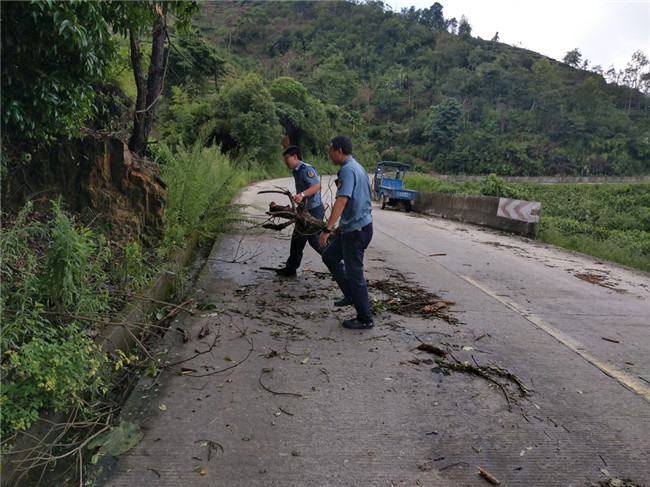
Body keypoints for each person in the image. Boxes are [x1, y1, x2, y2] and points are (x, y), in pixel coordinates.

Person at [318, 136, 374, 330]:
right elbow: (359, 200)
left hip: (356, 232)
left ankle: (365, 318)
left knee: (355, 274)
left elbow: (342, 201)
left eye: (331, 150)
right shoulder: (357, 167)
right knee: (329, 256)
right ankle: (350, 294)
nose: (329, 154)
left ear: (339, 150)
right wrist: (340, 226)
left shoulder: (349, 170)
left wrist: (326, 229)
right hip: (351, 227)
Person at [273, 145, 325, 277]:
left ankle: (335, 261)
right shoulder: (296, 171)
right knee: (297, 239)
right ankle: (290, 269)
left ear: (295, 157)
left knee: (315, 240)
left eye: (287, 159)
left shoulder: (306, 169)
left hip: (314, 210)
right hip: (304, 211)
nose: (285, 162)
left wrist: (301, 195)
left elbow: (317, 186)